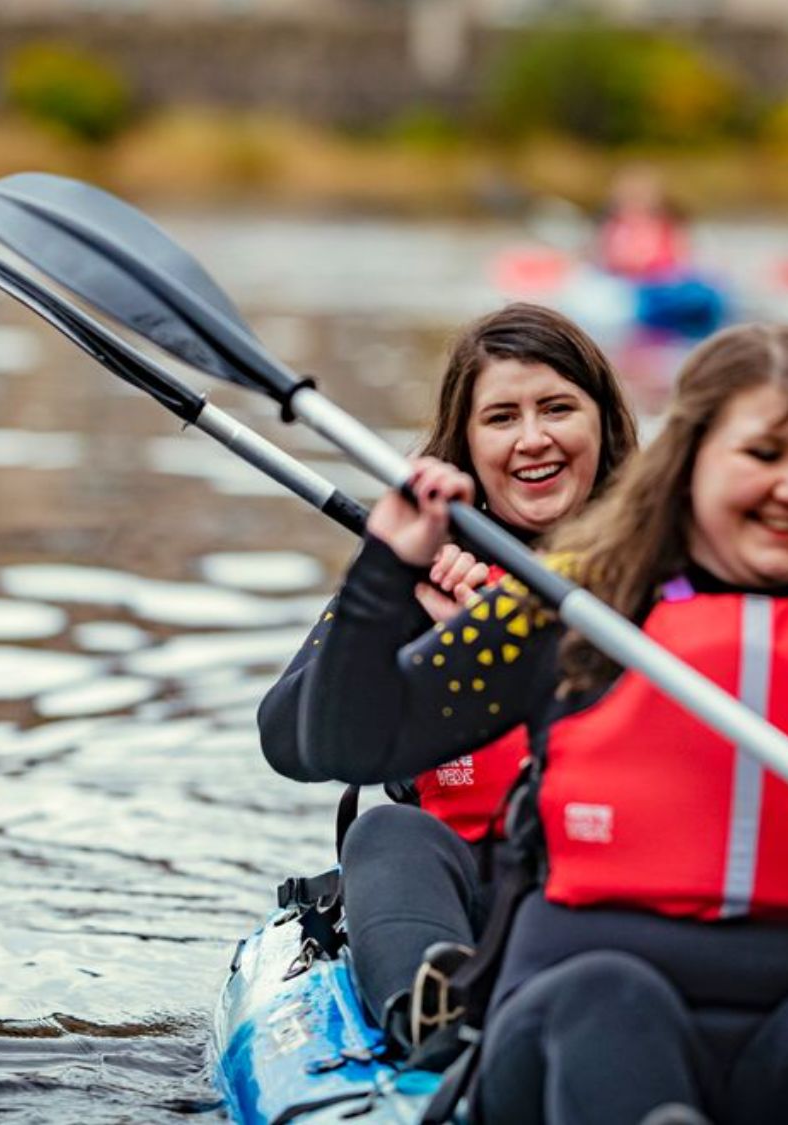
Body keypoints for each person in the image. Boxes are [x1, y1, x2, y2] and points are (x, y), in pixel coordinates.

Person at [300, 324, 788, 1125]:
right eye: (764, 456)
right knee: (610, 1000)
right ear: (688, 463)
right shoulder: (570, 607)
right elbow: (345, 741)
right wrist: (384, 573)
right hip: (577, 1024)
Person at [257, 301, 638, 1045]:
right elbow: (287, 738)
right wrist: (395, 608)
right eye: (501, 417)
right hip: (459, 903)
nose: (534, 439)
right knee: (387, 831)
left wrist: (508, 635)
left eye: (558, 407)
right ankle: (430, 1018)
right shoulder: (414, 565)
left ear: (603, 425)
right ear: (466, 442)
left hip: (619, 889)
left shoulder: (668, 569)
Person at [597, 164, 691, 282]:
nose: (634, 203)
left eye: (638, 197)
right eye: (630, 197)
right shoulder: (614, 226)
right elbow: (606, 257)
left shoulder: (664, 226)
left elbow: (680, 258)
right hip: (623, 281)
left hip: (659, 282)